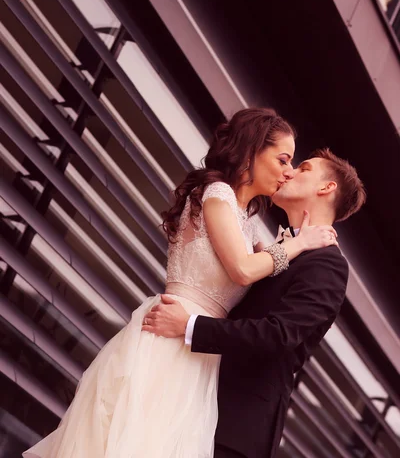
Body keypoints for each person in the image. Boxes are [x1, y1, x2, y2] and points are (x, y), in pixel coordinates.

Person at [23, 108, 336, 458]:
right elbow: (243, 271)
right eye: (283, 159)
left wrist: (285, 247)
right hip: (170, 339)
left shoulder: (245, 222)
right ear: (252, 150)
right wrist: (299, 243)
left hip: (198, 357)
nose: (288, 171)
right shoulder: (217, 193)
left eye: (294, 164)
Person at [142, 147, 367, 458]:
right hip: (196, 402)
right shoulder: (278, 249)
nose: (289, 172)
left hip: (236, 429)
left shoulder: (328, 264)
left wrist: (189, 325)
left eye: (302, 168)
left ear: (326, 188)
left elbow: (279, 335)